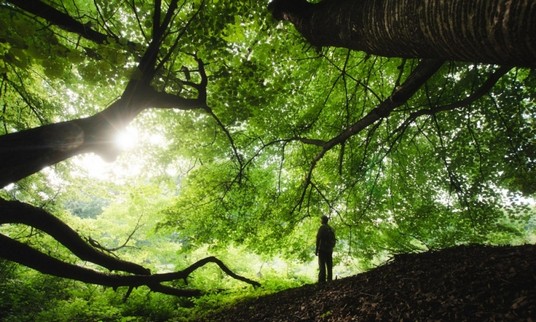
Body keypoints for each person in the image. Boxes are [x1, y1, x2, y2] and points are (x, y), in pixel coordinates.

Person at [315, 215, 335, 283]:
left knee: (322, 265)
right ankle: (330, 279)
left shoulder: (322, 228)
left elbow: (318, 238)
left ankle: (321, 281)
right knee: (329, 265)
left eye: (321, 219)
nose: (320, 221)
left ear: (323, 220)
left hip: (322, 249)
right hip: (329, 249)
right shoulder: (331, 228)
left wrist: (316, 249)